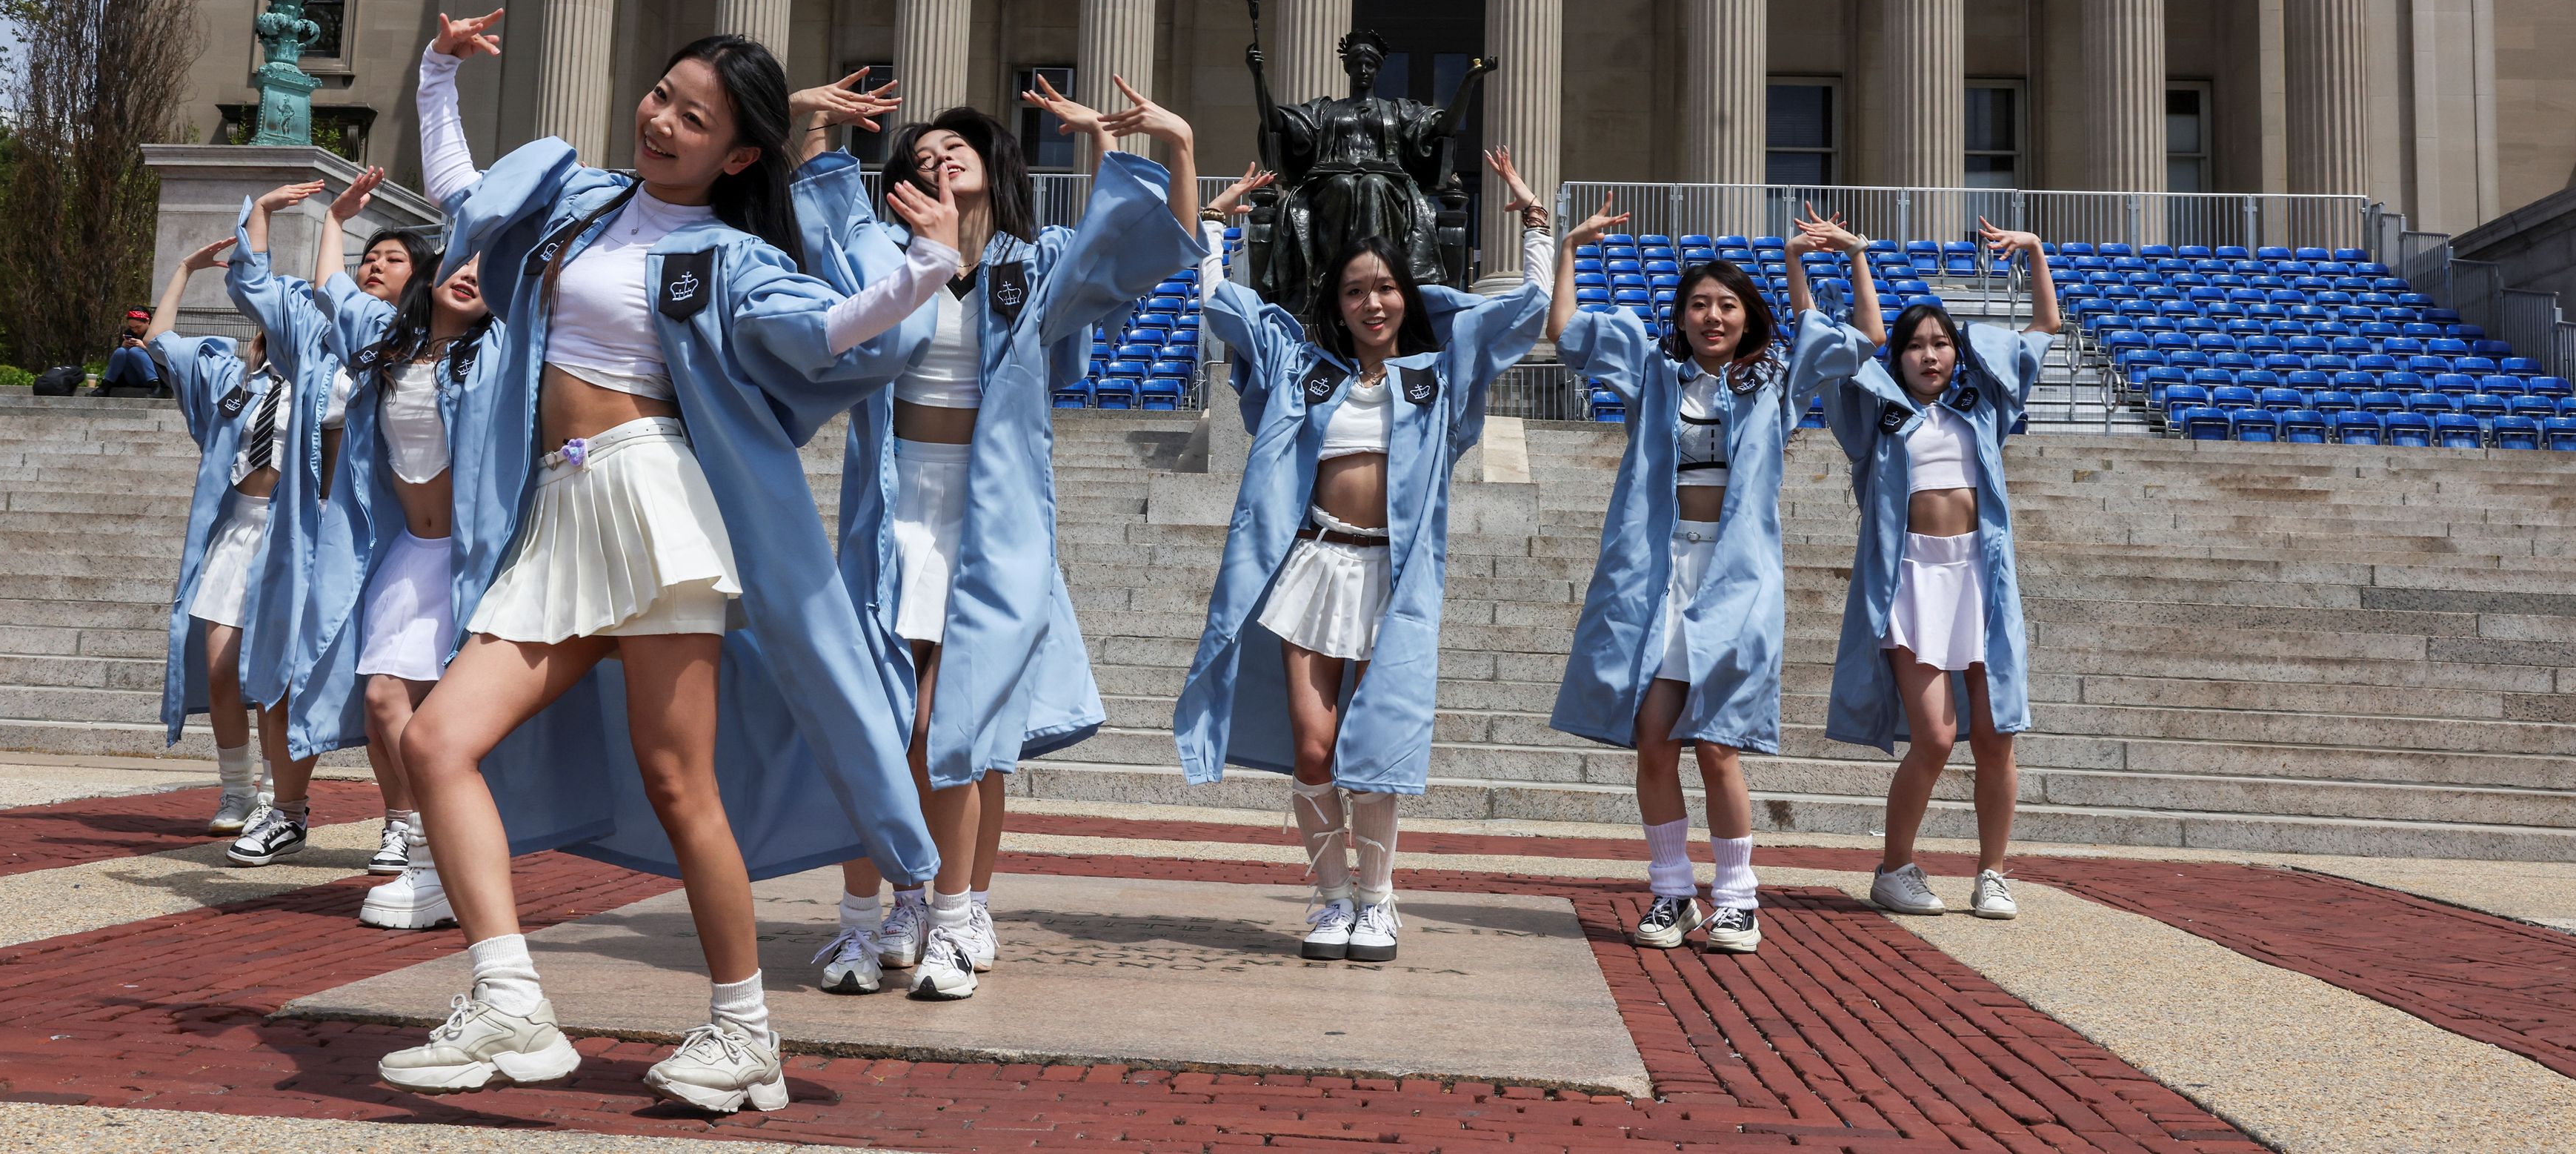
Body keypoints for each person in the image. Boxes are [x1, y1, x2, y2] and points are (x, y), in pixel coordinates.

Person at [379, 10, 936, 1115]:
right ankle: (509, 1001)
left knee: (683, 785)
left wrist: (929, 263)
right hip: (558, 509)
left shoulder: (727, 254)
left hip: (652, 502)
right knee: (438, 738)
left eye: (696, 116)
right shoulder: (577, 201)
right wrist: (438, 71)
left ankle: (745, 1032)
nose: (662, 120)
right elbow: (463, 198)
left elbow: (839, 332)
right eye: (661, 94)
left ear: (737, 154)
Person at [796, 76, 1206, 1003]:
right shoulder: (878, 254)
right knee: (881, 723)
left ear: (992, 165)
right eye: (921, 153)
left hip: (991, 525)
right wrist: (813, 121)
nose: (937, 157)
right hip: (893, 515)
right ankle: (881, 911)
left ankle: (953, 909)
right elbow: (819, 223)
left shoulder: (1034, 264)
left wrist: (1170, 145)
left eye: (956, 148)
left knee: (957, 730)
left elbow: (1149, 252)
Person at [1173, 149, 1553, 964]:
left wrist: (1534, 227)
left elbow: (1523, 315)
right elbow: (1222, 307)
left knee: (1373, 746)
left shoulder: (1433, 378)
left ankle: (1378, 902)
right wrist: (1214, 225)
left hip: (1393, 575)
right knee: (1313, 747)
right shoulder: (1303, 373)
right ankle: (1331, 897)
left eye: (1384, 288)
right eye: (1354, 290)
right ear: (1336, 303)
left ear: (1404, 296)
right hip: (1313, 565)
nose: (1371, 301)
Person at [1545, 205, 1881, 954]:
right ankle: (1671, 891)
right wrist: (1565, 247)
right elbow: (1565, 331)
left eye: (1726, 303)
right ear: (1681, 315)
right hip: (1659, 569)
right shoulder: (1653, 374)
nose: (1711, 315)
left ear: (1747, 315)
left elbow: (1862, 337)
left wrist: (1840, 256)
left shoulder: (1771, 382)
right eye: (1698, 303)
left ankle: (1737, 897)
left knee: (1717, 741)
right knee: (1652, 736)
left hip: (1733, 576)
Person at [277, 165, 501, 929]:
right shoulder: (386, 339)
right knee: (382, 701)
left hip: (472, 561)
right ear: (432, 278)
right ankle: (410, 832)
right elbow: (336, 288)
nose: (471, 277)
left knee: (442, 717)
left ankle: (440, 860)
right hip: (406, 552)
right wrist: (336, 217)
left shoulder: (497, 356)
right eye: (459, 265)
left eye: (486, 270)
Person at [1818, 216, 2059, 921]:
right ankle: (1895, 867)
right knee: (1936, 735)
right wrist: (1859, 258)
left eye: (1940, 343)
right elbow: (1863, 338)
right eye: (1916, 346)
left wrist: (2037, 248)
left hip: (1978, 575)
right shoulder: (1879, 417)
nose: (1929, 355)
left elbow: (2044, 323)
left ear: (1957, 353)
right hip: (1912, 578)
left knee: (1996, 735)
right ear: (1899, 358)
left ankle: (1992, 871)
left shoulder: (1981, 410)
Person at [219, 182, 357, 866]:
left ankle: (405, 822)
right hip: (304, 526)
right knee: (276, 667)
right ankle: (288, 812)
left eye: (395, 260)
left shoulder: (404, 343)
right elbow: (256, 287)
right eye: (374, 257)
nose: (378, 267)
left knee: (389, 683)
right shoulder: (313, 346)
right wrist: (267, 214)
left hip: (375, 536)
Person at [144, 233, 266, 832]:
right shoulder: (233, 382)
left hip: (296, 537)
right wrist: (185, 270)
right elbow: (160, 343)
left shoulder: (329, 381)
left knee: (276, 675)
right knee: (221, 666)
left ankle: (281, 795)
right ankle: (238, 791)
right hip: (238, 533)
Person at [97, 308, 164, 397]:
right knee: (121, 351)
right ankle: (105, 386)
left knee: (135, 351)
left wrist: (144, 347)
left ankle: (156, 386)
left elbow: (165, 357)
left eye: (138, 327)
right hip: (132, 376)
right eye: (132, 327)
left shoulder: (158, 334)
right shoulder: (129, 333)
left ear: (148, 321)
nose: (135, 331)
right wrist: (124, 345)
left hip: (154, 375)